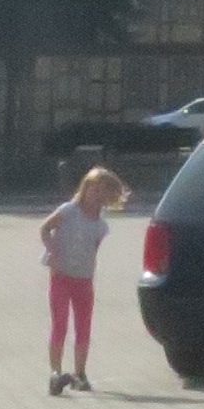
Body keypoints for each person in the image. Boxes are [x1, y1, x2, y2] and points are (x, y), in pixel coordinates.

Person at [39, 165, 128, 395]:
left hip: (84, 280)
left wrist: (89, 270)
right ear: (84, 188)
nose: (96, 195)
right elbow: (45, 228)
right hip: (60, 275)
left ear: (108, 197)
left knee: (83, 327)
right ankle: (55, 373)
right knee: (59, 324)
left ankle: (80, 373)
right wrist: (52, 251)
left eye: (102, 192)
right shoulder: (68, 211)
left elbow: (92, 250)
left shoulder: (101, 226)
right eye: (93, 189)